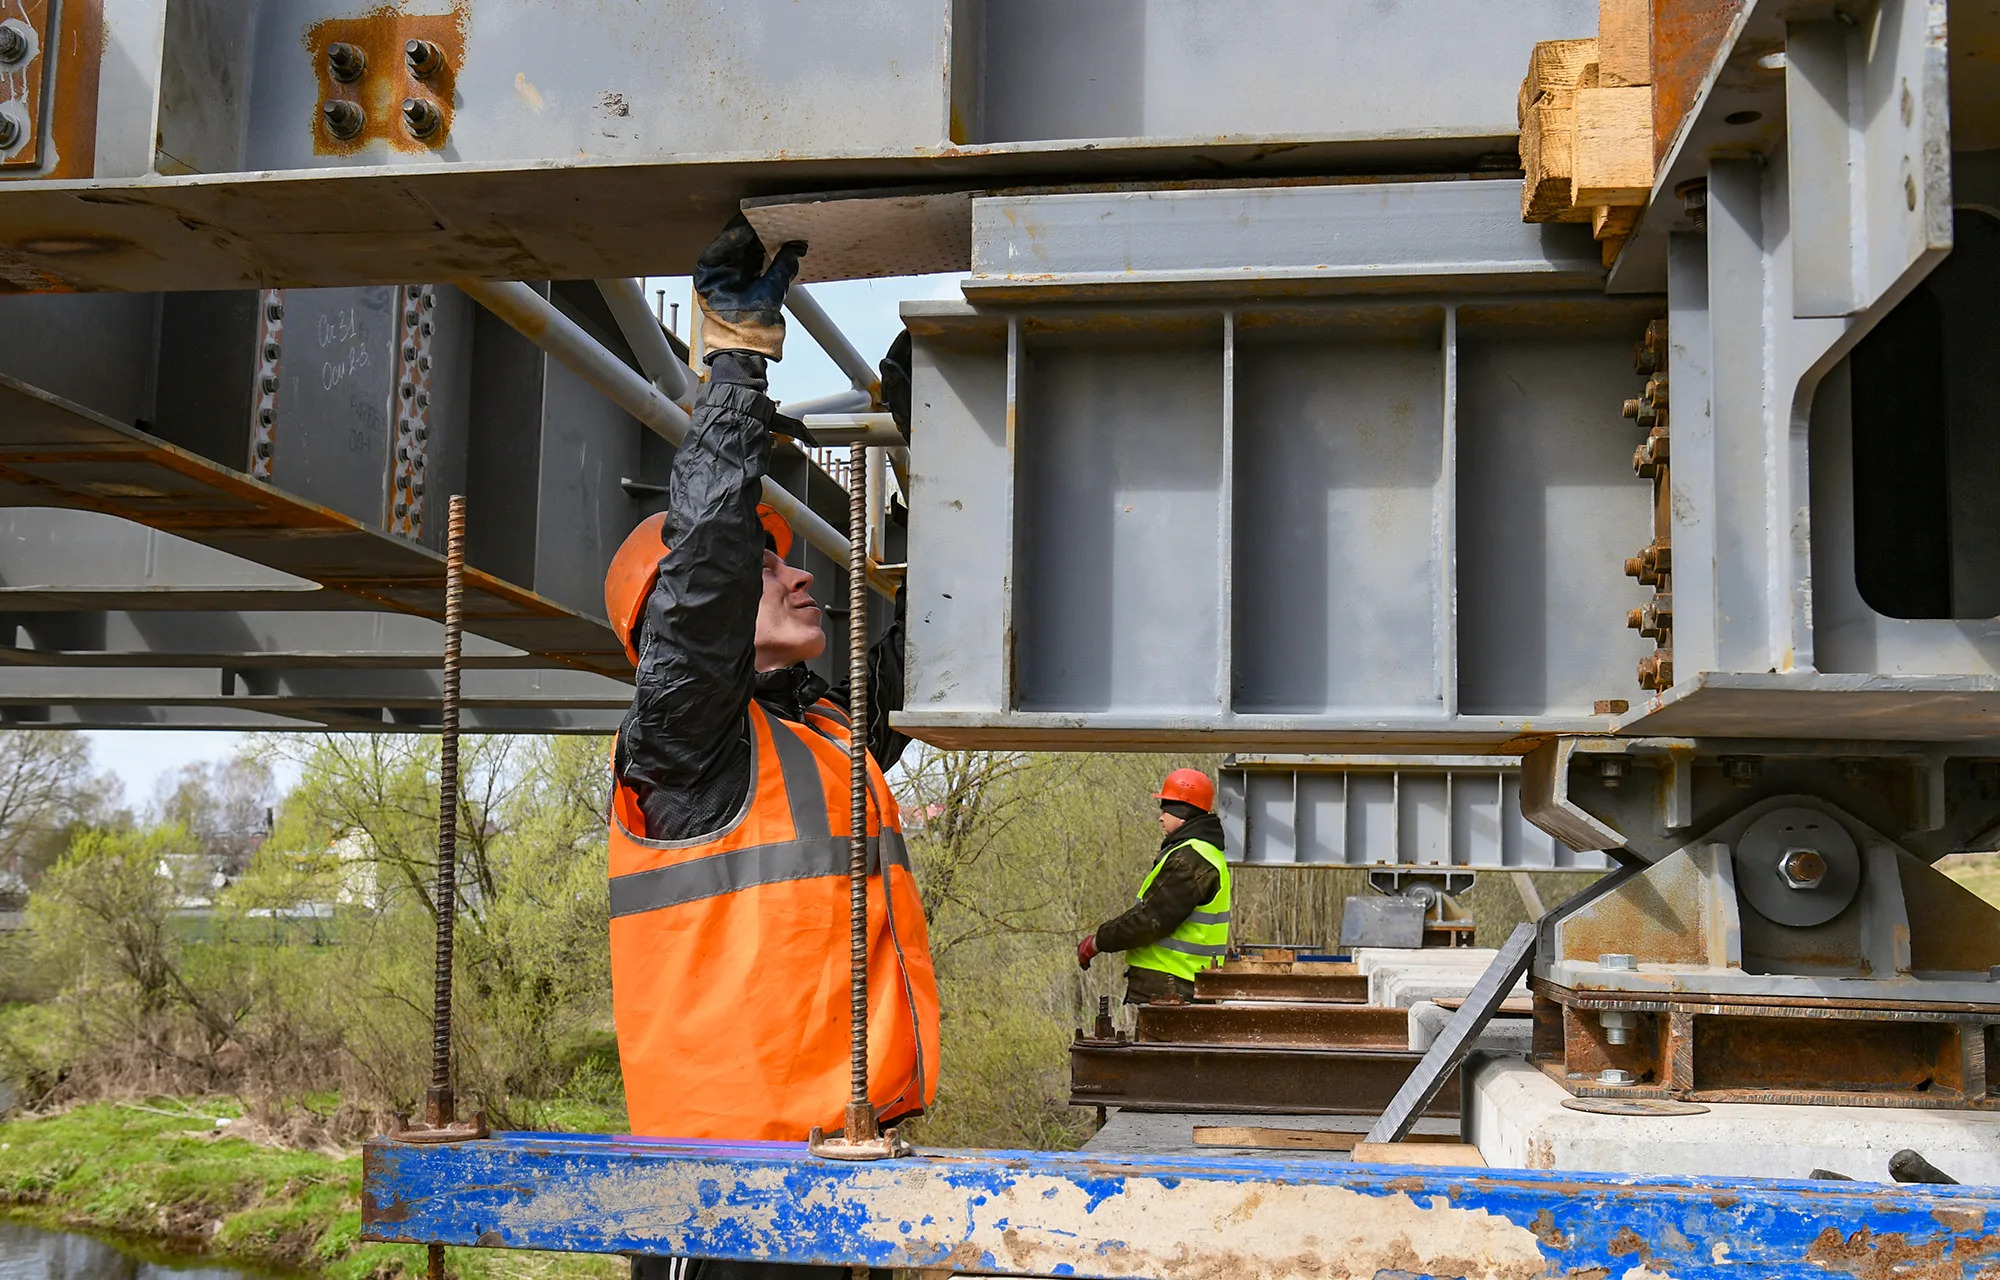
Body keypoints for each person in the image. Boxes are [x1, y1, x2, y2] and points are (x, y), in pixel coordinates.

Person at [601, 218, 939, 1279]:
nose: (800, 577)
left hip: (843, 1174)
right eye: (768, 565)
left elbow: (933, 631)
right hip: (727, 1207)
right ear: (684, 614)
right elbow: (705, 560)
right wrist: (735, 367)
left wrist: (940, 455)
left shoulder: (821, 735)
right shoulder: (682, 754)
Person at [1075, 768, 1232, 1004]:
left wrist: (1099, 941)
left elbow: (1150, 919)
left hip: (1170, 988)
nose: (1160, 816)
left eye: (1165, 808)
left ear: (1182, 813)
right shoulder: (1203, 854)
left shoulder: (1188, 860)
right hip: (1183, 986)